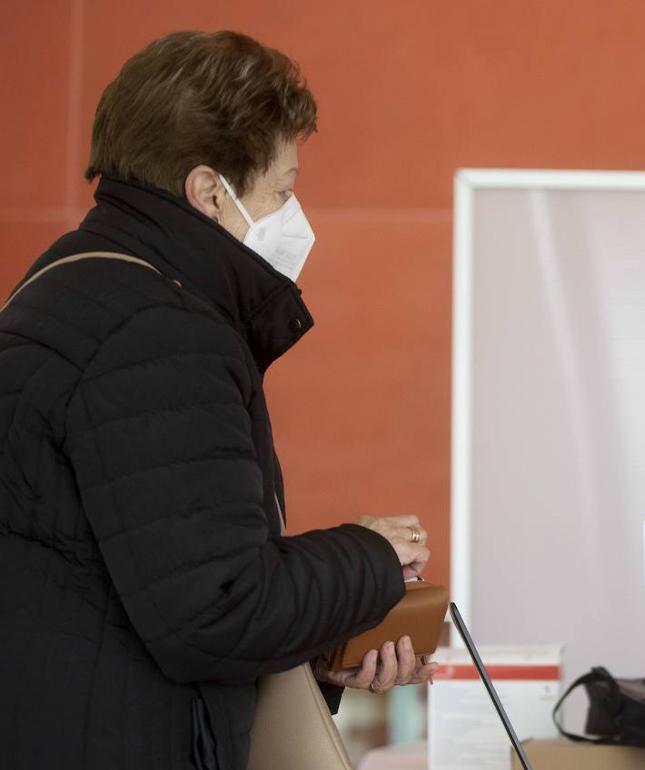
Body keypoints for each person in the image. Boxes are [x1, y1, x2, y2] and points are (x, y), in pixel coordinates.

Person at [0, 31, 434, 769]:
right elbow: (217, 607)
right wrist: (372, 561)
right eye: (283, 191)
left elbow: (156, 582)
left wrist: (319, 645)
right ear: (208, 192)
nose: (294, 217)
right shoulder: (155, 330)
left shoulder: (72, 287)